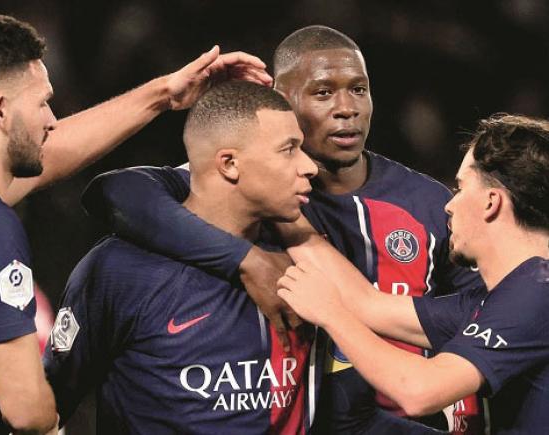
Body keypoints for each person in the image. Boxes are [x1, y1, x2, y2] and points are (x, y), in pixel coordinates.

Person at [0, 11, 270, 434]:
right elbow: (28, 412)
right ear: (0, 110)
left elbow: (49, 155)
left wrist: (163, 93)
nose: (51, 119)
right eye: (43, 102)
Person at [83, 25, 482, 433]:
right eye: (323, 93)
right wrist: (246, 259)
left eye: (359, 90)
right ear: (281, 100)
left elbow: (483, 317)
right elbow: (115, 191)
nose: (347, 108)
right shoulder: (249, 193)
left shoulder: (428, 203)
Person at [43, 81, 321, 433]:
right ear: (230, 163)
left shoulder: (307, 258)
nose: (310, 166)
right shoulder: (120, 270)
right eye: (289, 149)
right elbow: (44, 411)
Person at [276, 113, 549, 434]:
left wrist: (331, 314)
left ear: (492, 201)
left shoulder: (538, 288)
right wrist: (282, 210)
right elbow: (368, 305)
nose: (450, 205)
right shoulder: (507, 296)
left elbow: (419, 391)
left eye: (461, 188)